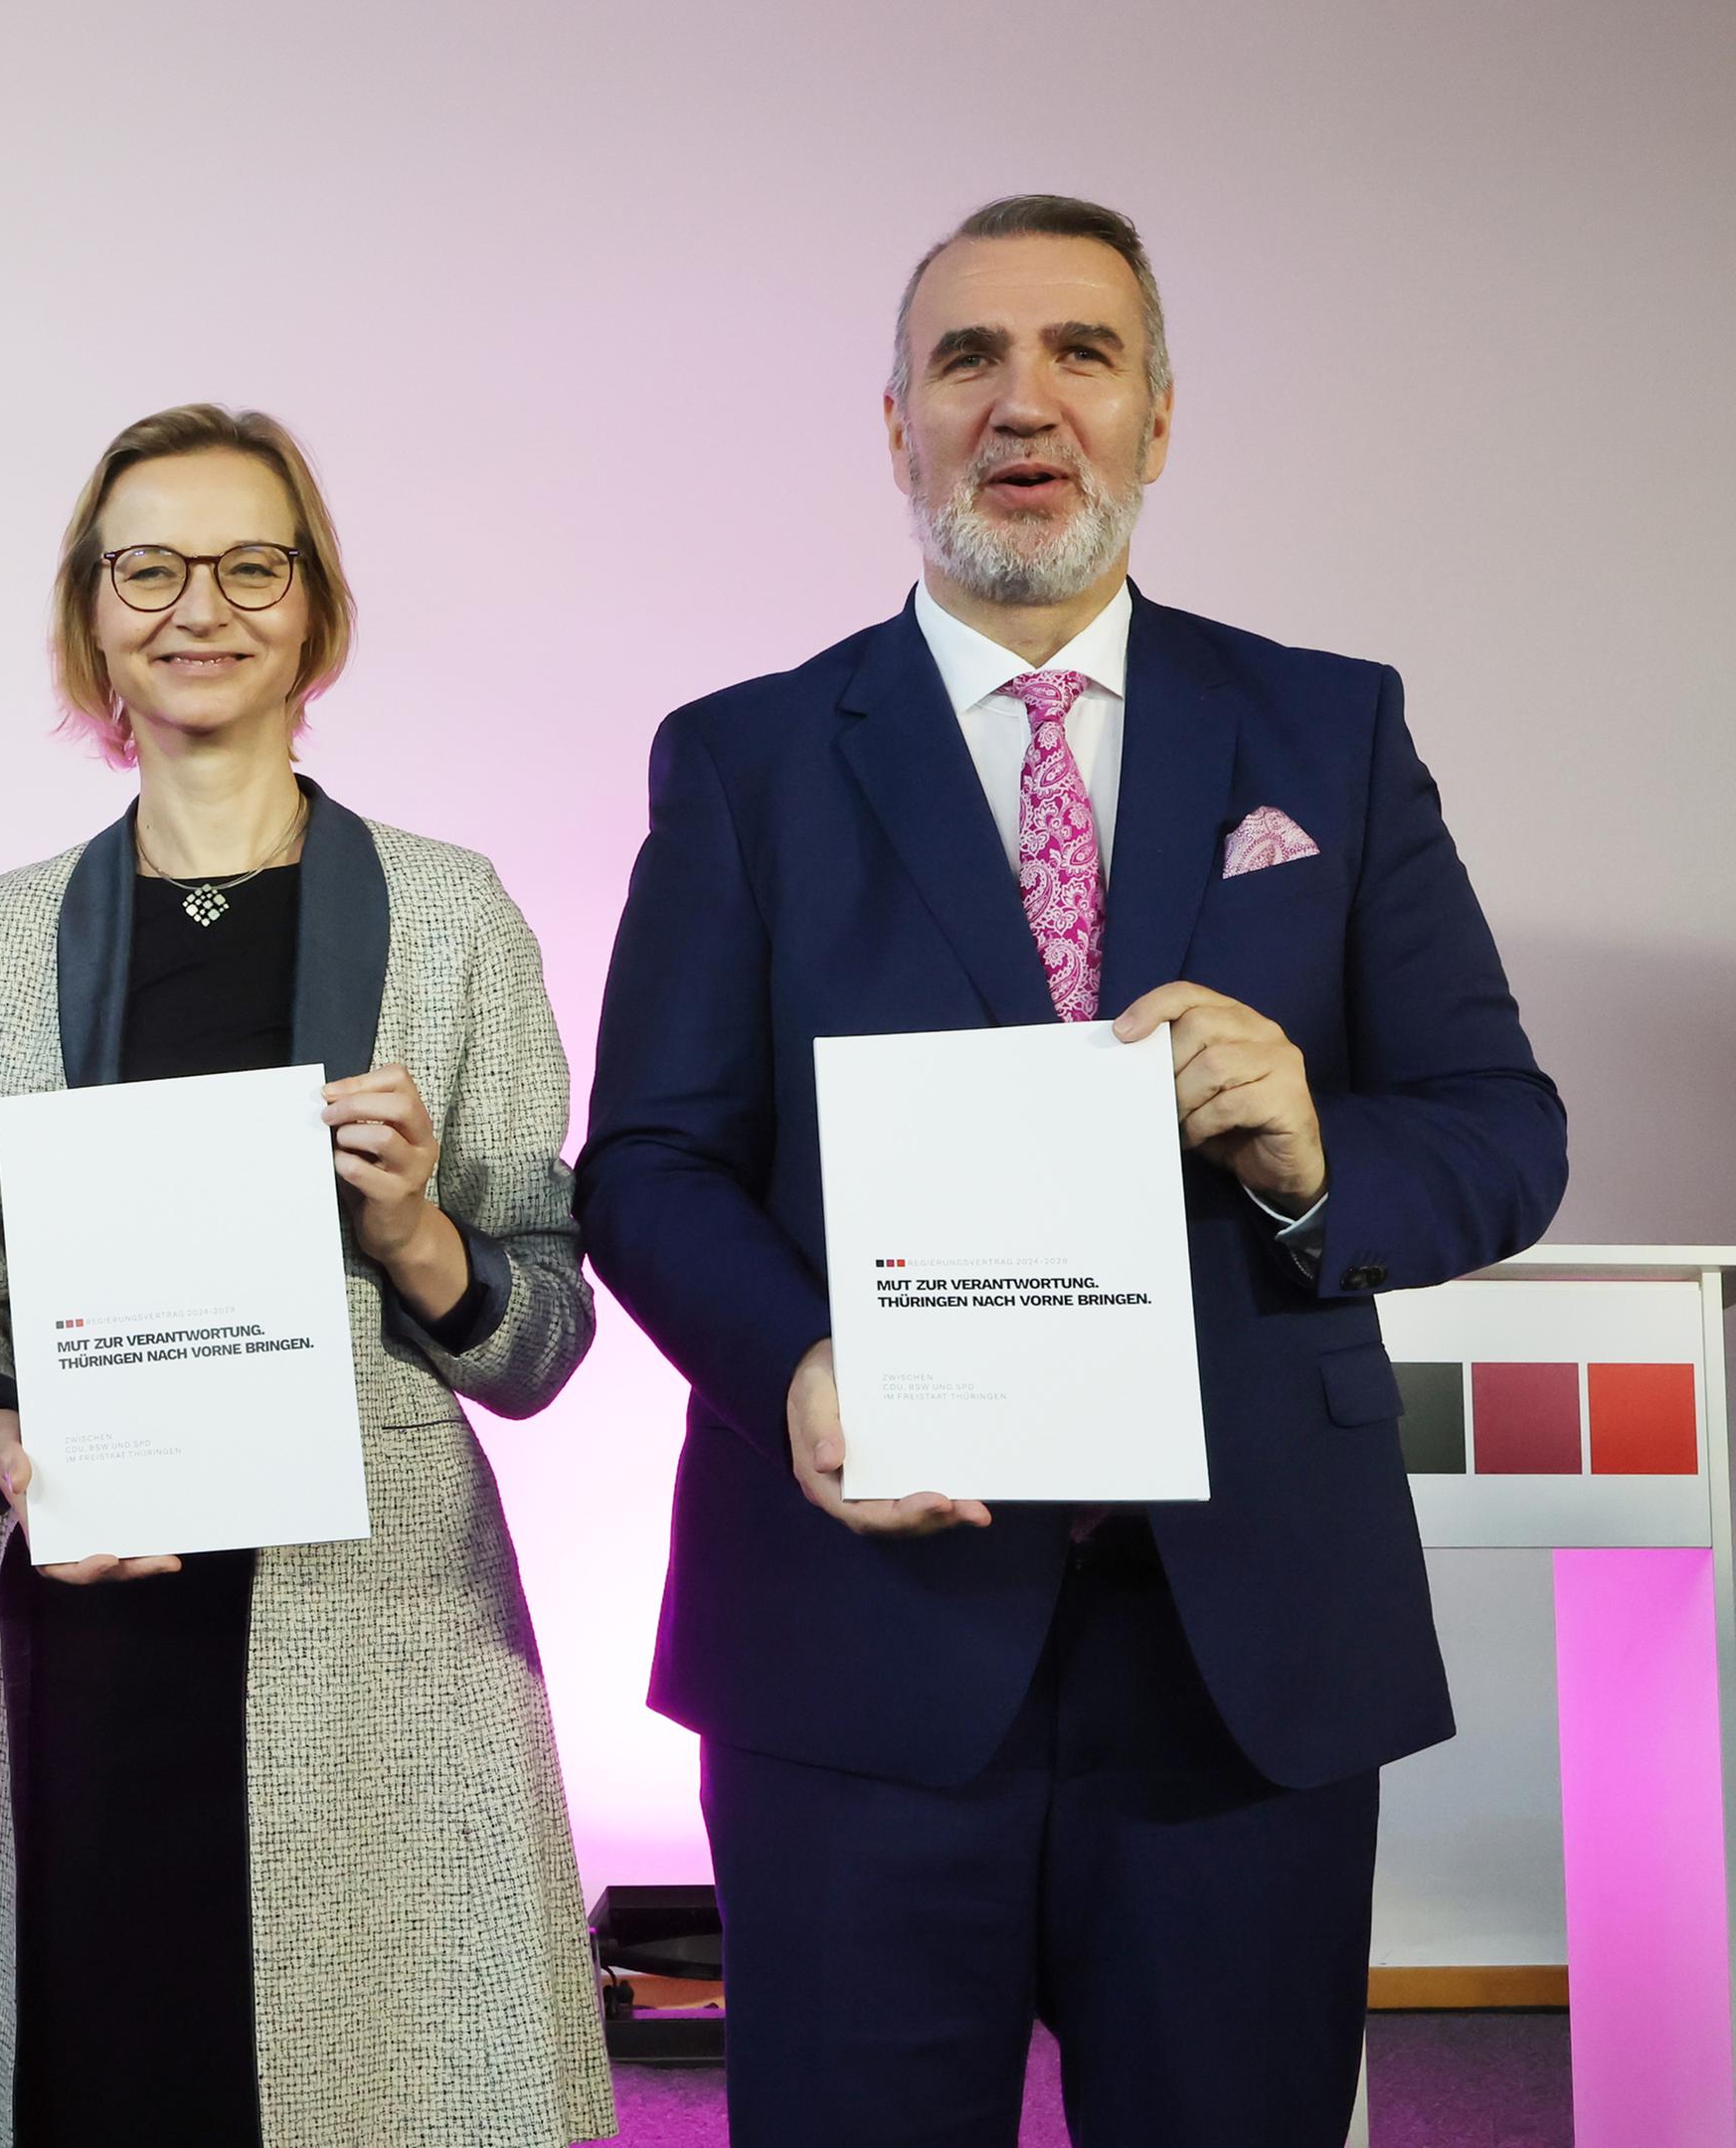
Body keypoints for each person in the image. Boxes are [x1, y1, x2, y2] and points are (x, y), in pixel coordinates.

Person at [579, 195, 1569, 2147]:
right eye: (969, 359)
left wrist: (1307, 1143)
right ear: (895, 425)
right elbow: (648, 1164)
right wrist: (795, 1365)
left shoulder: (1330, 733)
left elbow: (1499, 1133)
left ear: (1160, 418)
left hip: (1244, 1663)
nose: (1025, 404)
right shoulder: (751, 760)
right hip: (860, 1660)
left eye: (1081, 355)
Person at [0, 405, 611, 2147]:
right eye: (150, 566)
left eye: (249, 564)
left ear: (315, 608)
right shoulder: (5, 932)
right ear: (92, 612)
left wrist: (422, 1232)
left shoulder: (448, 915)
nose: (200, 606)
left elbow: (545, 1331)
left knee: (377, 2098)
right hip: (87, 1625)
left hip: (377, 1634)